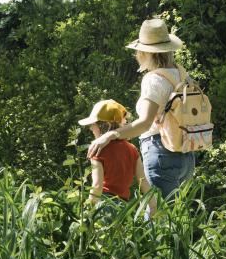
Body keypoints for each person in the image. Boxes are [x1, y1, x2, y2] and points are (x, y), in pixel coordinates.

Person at [86, 18, 196, 202]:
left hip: (162, 153)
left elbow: (144, 123)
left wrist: (110, 135)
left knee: (157, 219)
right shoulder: (182, 73)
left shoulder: (154, 79)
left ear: (145, 53)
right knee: (177, 219)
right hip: (186, 155)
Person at [79, 99, 154, 215]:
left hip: (104, 205)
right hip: (124, 208)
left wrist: (89, 211)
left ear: (104, 125)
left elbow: (97, 186)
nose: (90, 128)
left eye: (92, 125)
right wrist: (153, 205)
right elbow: (143, 182)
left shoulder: (98, 150)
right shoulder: (132, 149)